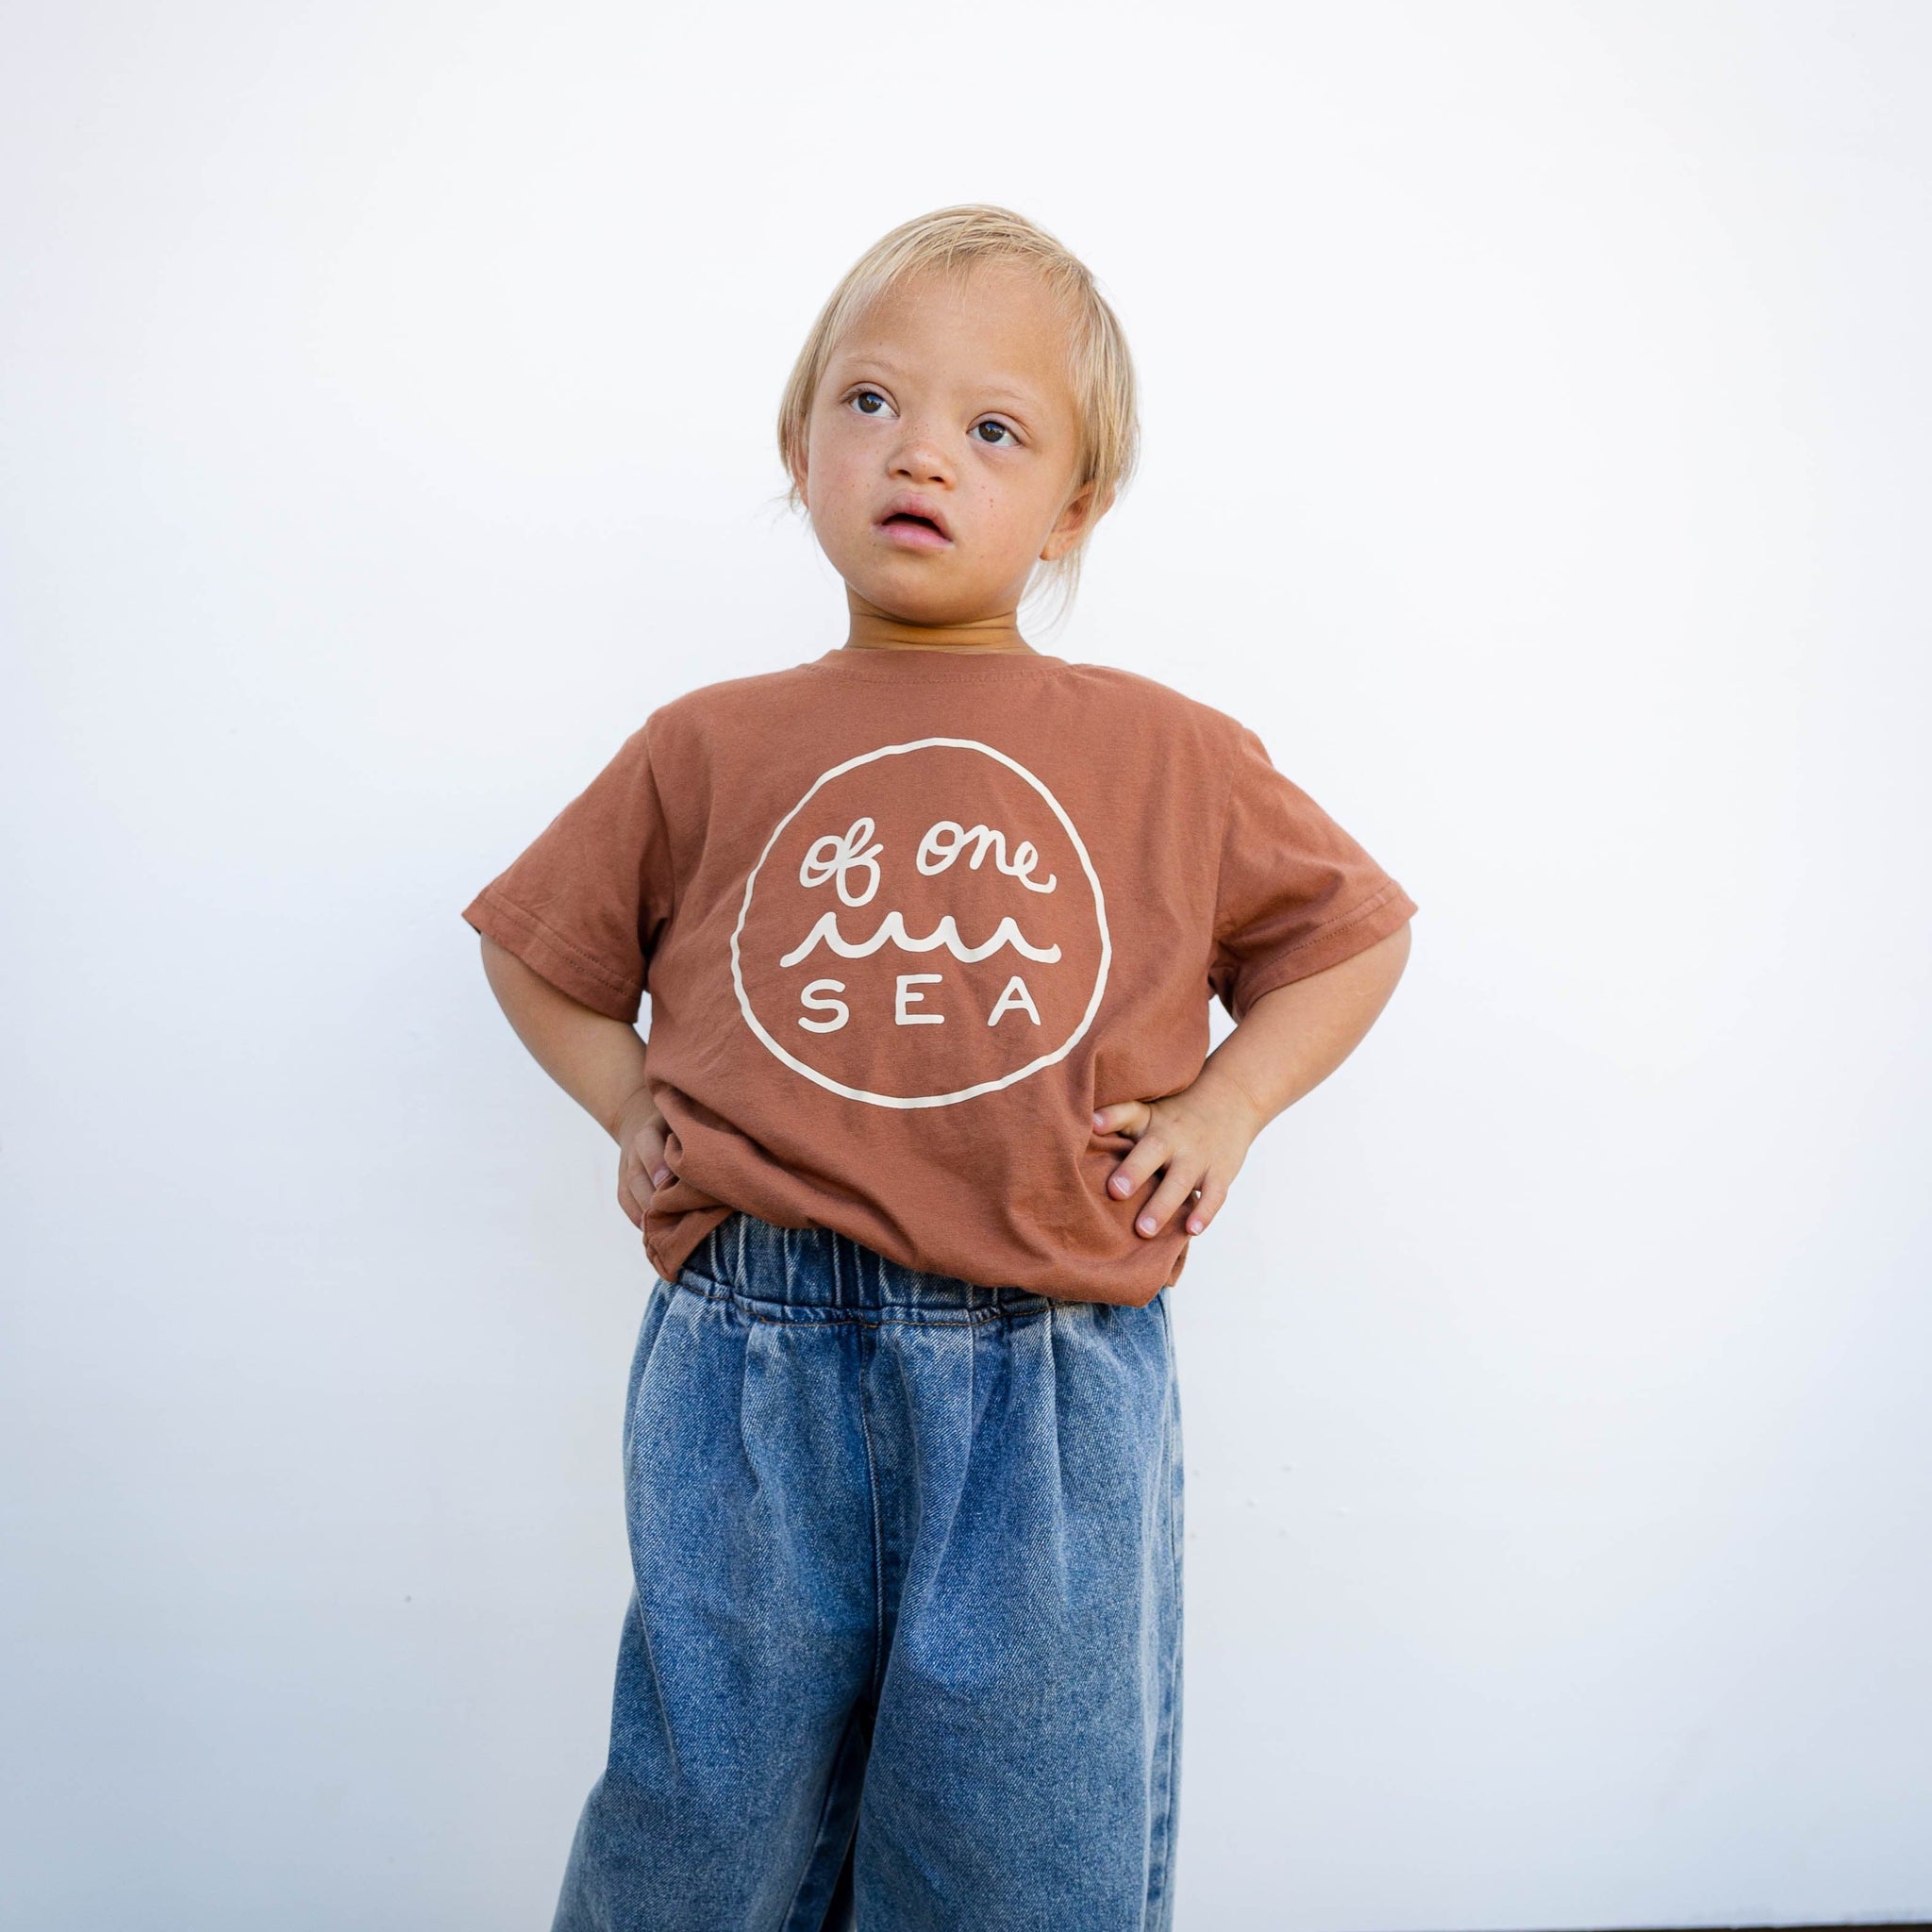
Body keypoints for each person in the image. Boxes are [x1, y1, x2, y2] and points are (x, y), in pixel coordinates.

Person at [461, 204, 1417, 1932]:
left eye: (994, 430)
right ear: (801, 446)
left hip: (1043, 1373)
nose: (921, 454)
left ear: (1072, 511)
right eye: (871, 402)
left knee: (1016, 1835)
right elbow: (538, 946)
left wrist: (1229, 1103)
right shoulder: (705, 743)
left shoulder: (1167, 752)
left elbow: (1351, 935)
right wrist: (625, 1102)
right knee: (704, 1815)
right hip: (749, 1363)